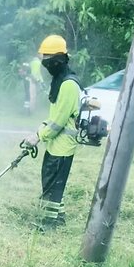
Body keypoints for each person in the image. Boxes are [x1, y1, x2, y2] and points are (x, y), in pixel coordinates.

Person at [23, 35, 80, 231]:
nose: (45, 65)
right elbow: (52, 116)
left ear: (57, 59)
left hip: (63, 146)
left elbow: (59, 122)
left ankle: (47, 223)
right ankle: (59, 217)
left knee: (52, 185)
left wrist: (40, 136)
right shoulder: (59, 80)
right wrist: (37, 133)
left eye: (47, 61)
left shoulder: (68, 85)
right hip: (55, 144)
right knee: (52, 182)